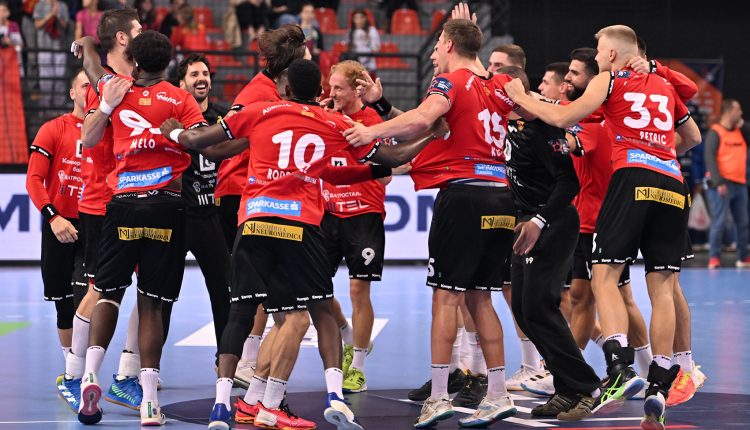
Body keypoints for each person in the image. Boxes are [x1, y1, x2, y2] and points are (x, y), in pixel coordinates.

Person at [162, 58, 439, 430]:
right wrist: (432, 135)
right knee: (318, 311)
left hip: (255, 221)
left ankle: (222, 406)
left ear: (286, 88)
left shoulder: (259, 111)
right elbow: (393, 157)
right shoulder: (334, 122)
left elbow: (202, 144)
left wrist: (175, 133)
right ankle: (333, 397)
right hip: (300, 226)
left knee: (242, 313)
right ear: (320, 89)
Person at [504, 24, 702, 428]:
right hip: (671, 179)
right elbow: (692, 136)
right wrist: (659, 151)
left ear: (611, 54)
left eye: (598, 51)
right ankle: (661, 379)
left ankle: (619, 363)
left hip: (633, 177)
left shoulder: (610, 80)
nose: (596, 57)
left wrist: (520, 97)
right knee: (663, 286)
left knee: (604, 275)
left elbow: (563, 115)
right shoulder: (664, 84)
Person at [344, 18, 536, 428]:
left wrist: (369, 131)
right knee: (481, 297)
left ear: (448, 44)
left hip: (464, 197)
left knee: (445, 298)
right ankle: (497, 394)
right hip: (501, 197)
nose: (432, 55)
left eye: (436, 46)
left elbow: (422, 117)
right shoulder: (496, 86)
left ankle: (437, 396)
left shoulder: (451, 83)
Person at [76, 30, 209, 426]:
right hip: (167, 205)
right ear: (170, 63)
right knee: (151, 303)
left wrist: (87, 44)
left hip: (124, 205)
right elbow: (200, 139)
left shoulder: (115, 88)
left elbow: (91, 66)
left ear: (132, 59)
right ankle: (150, 401)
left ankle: (89, 375)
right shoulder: (181, 98)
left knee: (108, 293)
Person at [502, 65, 603, 421]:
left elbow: (569, 182)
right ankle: (566, 388)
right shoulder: (507, 124)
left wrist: (538, 221)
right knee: (524, 310)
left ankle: (586, 386)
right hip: (526, 222)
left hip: (552, 222)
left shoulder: (543, 127)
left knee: (540, 306)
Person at [215, 24, 310, 389]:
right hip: (241, 192)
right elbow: (228, 139)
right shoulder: (258, 93)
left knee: (267, 295)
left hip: (259, 196)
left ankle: (250, 370)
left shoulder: (278, 92)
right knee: (267, 297)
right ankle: (250, 372)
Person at [61, 8, 146, 414]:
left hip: (140, 200)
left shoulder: (137, 79)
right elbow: (90, 134)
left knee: (148, 290)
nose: (144, 34)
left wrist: (87, 44)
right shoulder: (106, 84)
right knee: (100, 290)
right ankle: (73, 375)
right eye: (139, 30)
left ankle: (126, 375)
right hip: (104, 202)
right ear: (123, 39)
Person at [322, 59, 389, 394]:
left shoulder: (372, 121)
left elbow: (386, 175)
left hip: (364, 213)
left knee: (358, 290)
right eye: (330, 86)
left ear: (356, 90)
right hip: (326, 212)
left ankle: (358, 367)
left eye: (339, 88)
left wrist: (357, 136)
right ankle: (348, 334)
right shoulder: (324, 116)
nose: (332, 93)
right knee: (316, 290)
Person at [25, 69, 88, 405]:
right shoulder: (53, 129)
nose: (90, 91)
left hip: (94, 224)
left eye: (94, 86)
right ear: (72, 93)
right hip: (60, 225)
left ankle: (85, 371)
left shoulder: (108, 131)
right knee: (63, 302)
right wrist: (53, 216)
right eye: (84, 86)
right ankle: (72, 371)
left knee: (86, 299)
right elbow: (34, 179)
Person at [176, 53, 233, 366]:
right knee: (161, 294)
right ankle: (143, 369)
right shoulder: (171, 118)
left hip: (213, 217)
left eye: (205, 74)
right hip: (177, 216)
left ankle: (225, 362)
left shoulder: (224, 117)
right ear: (181, 82)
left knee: (224, 291)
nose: (201, 79)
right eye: (194, 74)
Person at [705, 99, 750, 268]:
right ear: (729, 111)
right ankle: (714, 258)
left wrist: (743, 124)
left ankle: (743, 257)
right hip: (722, 185)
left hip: (740, 183)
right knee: (719, 222)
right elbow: (710, 158)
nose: (741, 113)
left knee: (743, 223)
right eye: (738, 110)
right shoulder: (715, 132)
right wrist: (718, 182)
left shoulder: (741, 131)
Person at [34, 0, 69, 106]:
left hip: (60, 46)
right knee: (45, 78)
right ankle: (45, 107)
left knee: (60, 77)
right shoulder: (40, 5)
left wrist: (57, 15)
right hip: (44, 47)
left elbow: (65, 25)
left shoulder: (62, 5)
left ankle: (59, 106)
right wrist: (50, 15)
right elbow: (37, 24)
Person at [347, 9, 380, 77]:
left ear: (365, 19)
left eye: (361, 18)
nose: (359, 20)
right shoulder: (351, 32)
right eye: (356, 18)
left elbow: (376, 48)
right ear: (353, 20)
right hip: (355, 69)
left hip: (369, 67)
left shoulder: (372, 30)